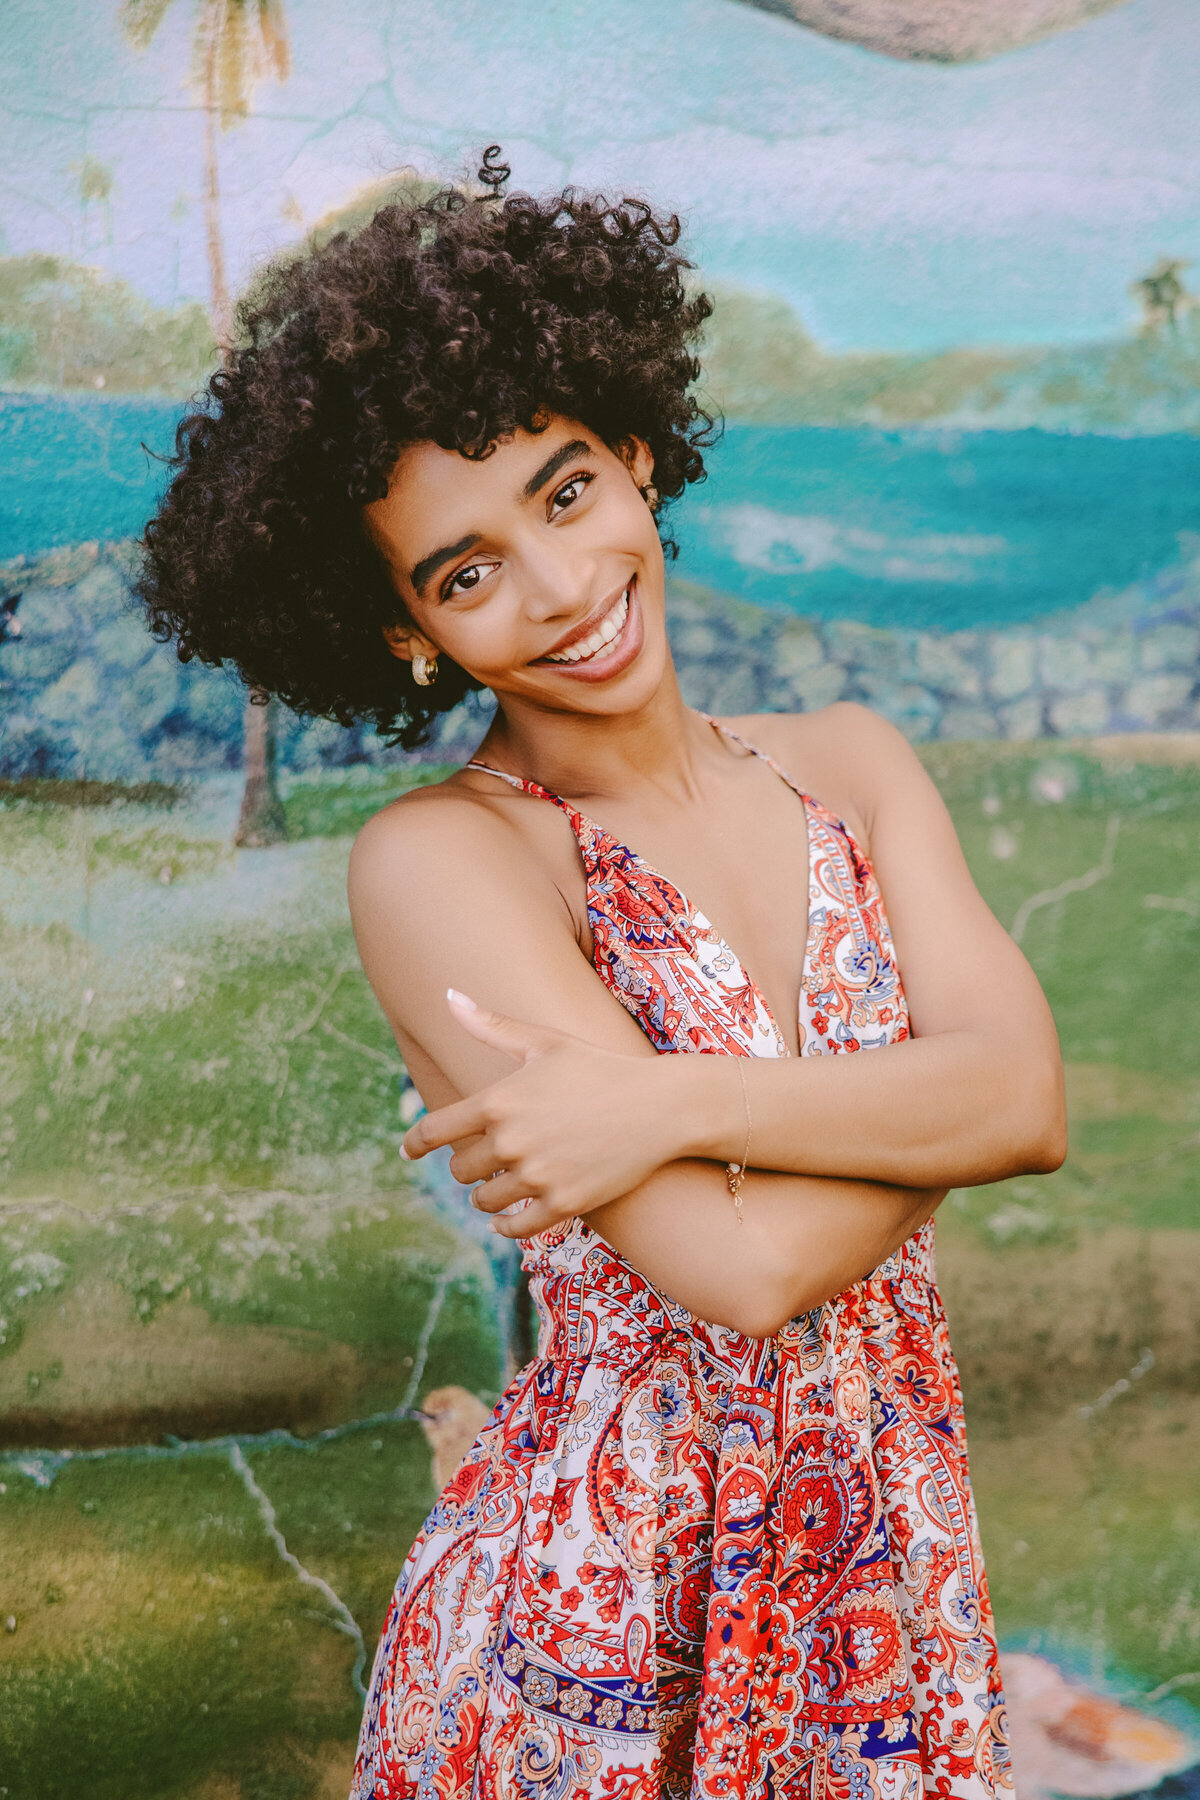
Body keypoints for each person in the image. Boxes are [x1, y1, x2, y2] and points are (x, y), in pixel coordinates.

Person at [138, 152, 1066, 1800]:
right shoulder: (444, 861)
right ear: (409, 631)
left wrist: (663, 1100)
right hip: (603, 1623)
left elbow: (1032, 1100)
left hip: (891, 1568)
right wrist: (951, 1104)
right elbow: (745, 1268)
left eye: (566, 492)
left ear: (637, 458)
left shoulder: (849, 763)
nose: (562, 589)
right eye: (465, 569)